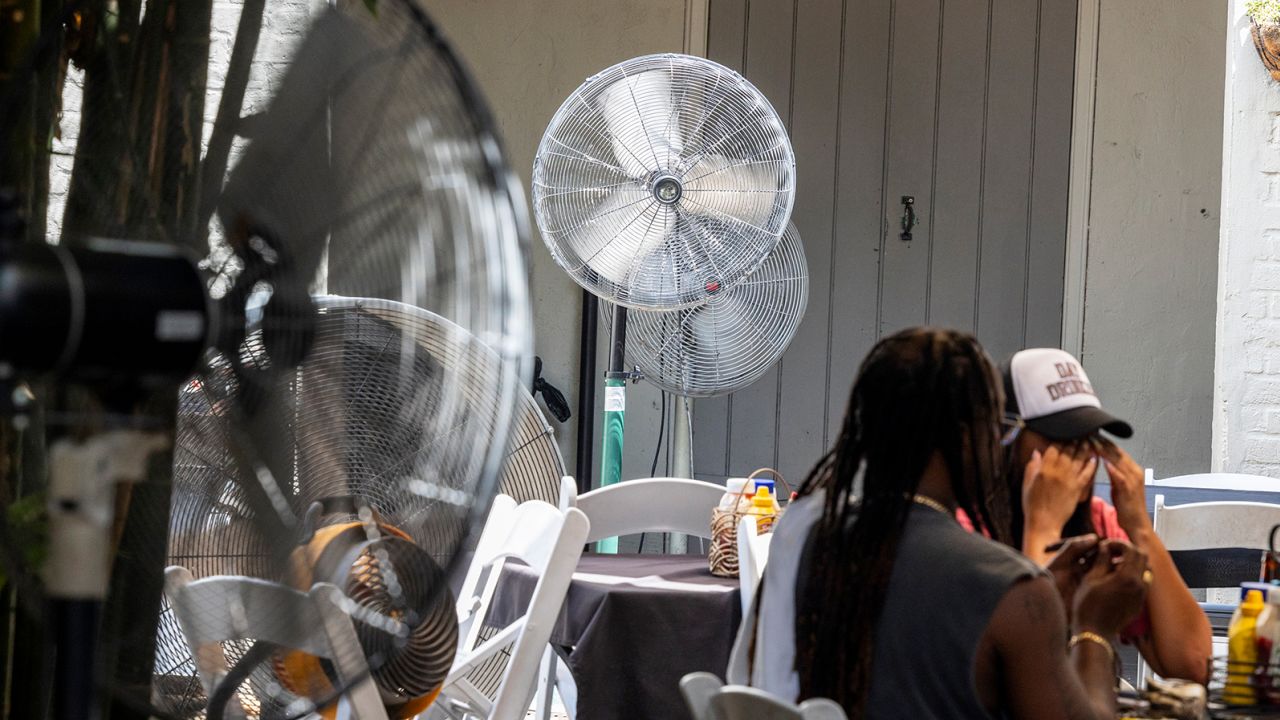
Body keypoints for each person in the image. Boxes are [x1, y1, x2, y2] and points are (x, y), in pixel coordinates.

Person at [727, 327, 1150, 719]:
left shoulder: (811, 538)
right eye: (998, 429)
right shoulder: (1013, 590)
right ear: (970, 436)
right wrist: (1095, 629)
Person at [982, 347, 1212, 683]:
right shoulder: (965, 528)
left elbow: (1192, 665)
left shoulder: (1099, 523)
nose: (1078, 459)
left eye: (1087, 439)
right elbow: (1025, 679)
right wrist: (1043, 527)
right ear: (1005, 437)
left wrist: (1141, 530)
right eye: (1059, 440)